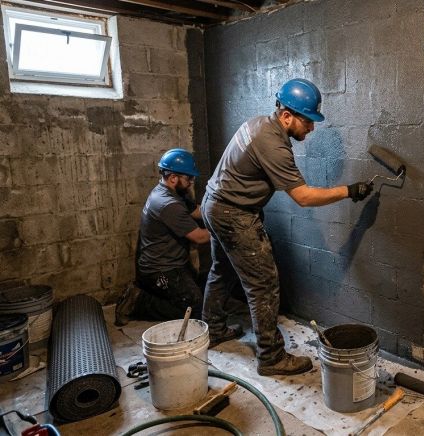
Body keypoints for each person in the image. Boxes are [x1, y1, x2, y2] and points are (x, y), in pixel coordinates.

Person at [202, 78, 373, 376]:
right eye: (308, 121)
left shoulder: (258, 124)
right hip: (234, 215)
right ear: (286, 116)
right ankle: (271, 358)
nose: (311, 128)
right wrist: (349, 190)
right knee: (263, 284)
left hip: (213, 205)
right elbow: (304, 197)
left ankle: (213, 329)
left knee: (222, 269)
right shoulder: (273, 144)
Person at [115, 148, 210, 327]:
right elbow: (199, 237)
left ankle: (149, 295)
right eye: (188, 178)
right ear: (173, 178)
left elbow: (196, 211)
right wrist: (227, 229)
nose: (191, 182)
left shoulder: (175, 192)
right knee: (195, 308)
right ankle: (138, 302)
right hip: (159, 270)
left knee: (199, 293)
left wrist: (219, 213)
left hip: (174, 263)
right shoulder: (167, 204)